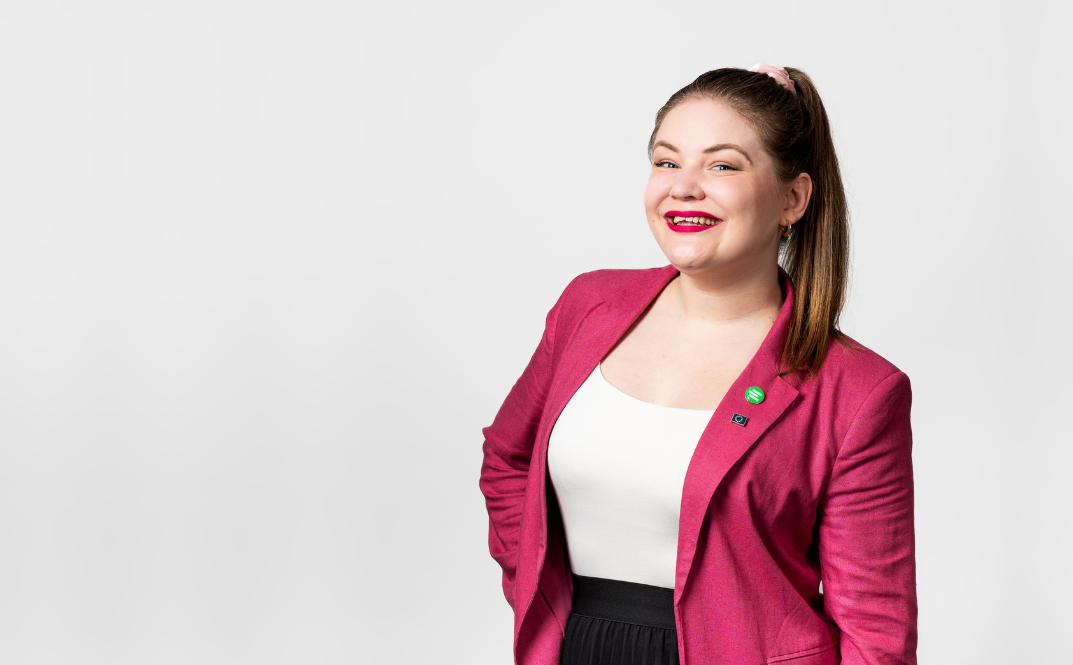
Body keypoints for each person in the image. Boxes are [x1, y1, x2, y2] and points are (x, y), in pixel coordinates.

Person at [479, 65, 917, 665]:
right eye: (666, 161)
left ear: (792, 199)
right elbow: (509, 458)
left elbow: (876, 635)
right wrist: (540, 590)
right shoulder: (588, 306)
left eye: (723, 166)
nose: (683, 188)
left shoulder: (859, 391)